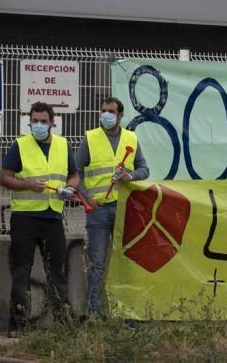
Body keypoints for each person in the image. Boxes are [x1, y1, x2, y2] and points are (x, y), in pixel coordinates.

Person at [0, 102, 79, 333]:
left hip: (53, 218)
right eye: (34, 121)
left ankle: (62, 323)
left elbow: (74, 176)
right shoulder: (20, 145)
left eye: (43, 121)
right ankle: (19, 325)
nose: (38, 125)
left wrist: (70, 188)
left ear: (52, 122)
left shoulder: (63, 145)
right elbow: (4, 178)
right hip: (25, 219)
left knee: (57, 273)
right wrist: (27, 185)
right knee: (21, 273)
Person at [76, 97, 149, 316]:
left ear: (120, 115)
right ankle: (94, 312)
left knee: (126, 261)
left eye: (110, 111)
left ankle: (126, 311)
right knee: (97, 263)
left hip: (125, 209)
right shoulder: (90, 138)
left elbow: (144, 169)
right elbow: (76, 173)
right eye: (103, 111)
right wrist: (88, 198)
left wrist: (131, 175)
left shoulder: (131, 138)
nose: (105, 115)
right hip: (98, 211)